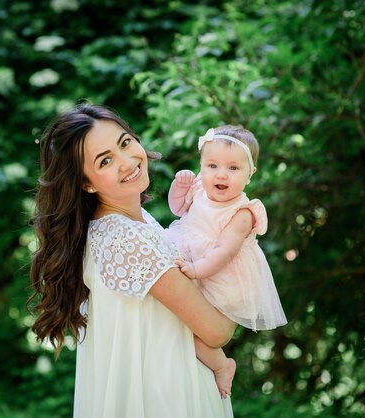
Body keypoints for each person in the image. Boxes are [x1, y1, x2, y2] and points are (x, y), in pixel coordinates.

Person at [29, 103, 234, 418]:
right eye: (106, 160)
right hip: (164, 396)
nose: (127, 162)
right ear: (86, 183)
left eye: (125, 143)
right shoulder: (126, 238)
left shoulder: (120, 225)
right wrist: (241, 265)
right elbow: (216, 331)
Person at [165, 125, 287, 399]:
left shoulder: (243, 212)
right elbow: (178, 209)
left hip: (219, 276)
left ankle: (222, 365)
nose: (221, 174)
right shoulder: (199, 190)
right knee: (175, 319)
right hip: (193, 261)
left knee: (193, 328)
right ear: (201, 166)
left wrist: (196, 271)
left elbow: (224, 251)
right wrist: (179, 187)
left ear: (249, 174)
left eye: (233, 168)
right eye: (212, 165)